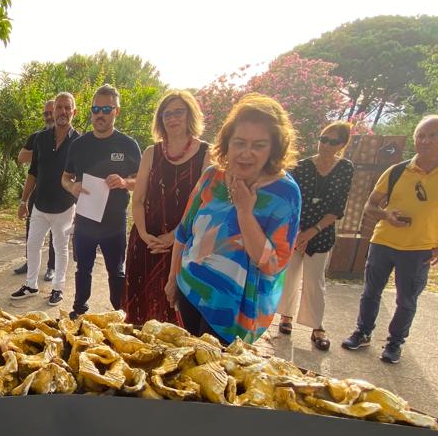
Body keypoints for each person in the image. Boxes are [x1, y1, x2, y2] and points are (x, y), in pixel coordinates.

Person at [341, 115, 438, 363]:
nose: (425, 141)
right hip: (383, 242)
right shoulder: (397, 171)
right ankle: (363, 332)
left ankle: (395, 343)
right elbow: (370, 206)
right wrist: (386, 214)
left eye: (432, 135)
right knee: (370, 292)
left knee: (406, 300)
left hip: (420, 249)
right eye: (420, 136)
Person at [165, 93, 301, 346]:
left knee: (218, 376)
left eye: (259, 145)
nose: (246, 153)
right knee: (187, 367)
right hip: (191, 290)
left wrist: (245, 212)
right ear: (227, 142)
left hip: (236, 311)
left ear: (274, 147)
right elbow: (183, 233)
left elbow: (272, 264)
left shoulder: (284, 194)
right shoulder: (212, 176)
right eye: (239, 142)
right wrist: (173, 278)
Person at [123, 90, 208, 326]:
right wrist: (143, 235)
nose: (172, 118)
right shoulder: (151, 153)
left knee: (175, 318)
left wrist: (174, 236)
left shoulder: (206, 154)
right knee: (139, 315)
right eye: (166, 114)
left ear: (190, 114)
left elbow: (203, 207)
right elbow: (138, 199)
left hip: (184, 245)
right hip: (146, 243)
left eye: (178, 112)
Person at [59, 84, 141, 318]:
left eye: (106, 109)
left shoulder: (128, 145)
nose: (100, 114)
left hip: (114, 224)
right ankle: (79, 311)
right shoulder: (79, 145)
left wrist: (125, 182)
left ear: (117, 111)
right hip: (85, 221)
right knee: (82, 269)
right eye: (96, 109)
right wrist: (72, 186)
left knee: (116, 272)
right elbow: (65, 178)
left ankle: (121, 313)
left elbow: (141, 180)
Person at [275, 121, 355, 350]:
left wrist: (313, 231)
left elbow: (338, 207)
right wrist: (298, 232)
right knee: (290, 276)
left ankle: (316, 326)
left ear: (342, 144)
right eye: (323, 139)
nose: (326, 145)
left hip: (322, 232)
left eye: (332, 141)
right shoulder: (301, 167)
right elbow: (291, 201)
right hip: (295, 230)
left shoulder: (345, 168)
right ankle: (285, 316)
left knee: (314, 280)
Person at [10, 93, 81, 305]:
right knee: (32, 245)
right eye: (59, 107)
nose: (63, 112)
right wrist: (23, 202)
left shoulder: (80, 142)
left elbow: (84, 178)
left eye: (67, 108)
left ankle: (58, 288)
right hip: (40, 205)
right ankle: (31, 284)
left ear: (74, 112)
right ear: (53, 110)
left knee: (60, 249)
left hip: (65, 207)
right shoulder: (40, 139)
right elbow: (33, 172)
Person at [14, 99, 57, 281]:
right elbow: (21, 157)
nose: (48, 116)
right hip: (37, 193)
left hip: (59, 195)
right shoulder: (37, 137)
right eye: (45, 113)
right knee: (31, 232)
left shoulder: (68, 137)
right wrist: (43, 151)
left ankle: (51, 267)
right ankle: (30, 263)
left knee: (56, 234)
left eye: (51, 112)